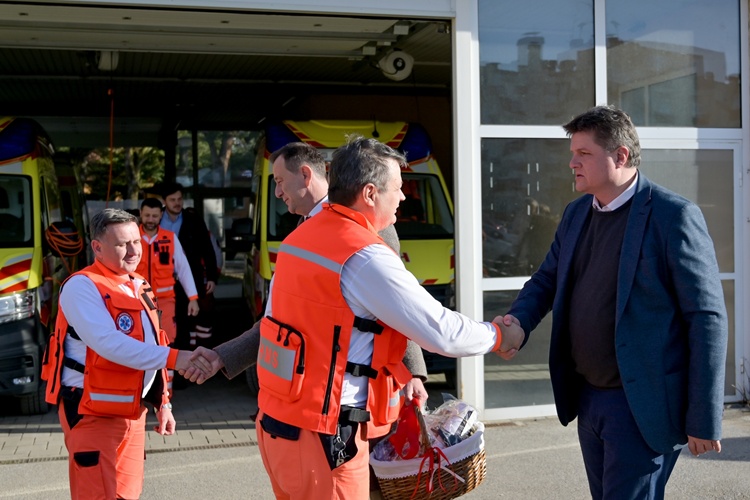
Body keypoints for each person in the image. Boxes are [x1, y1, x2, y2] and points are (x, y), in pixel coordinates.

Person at [186, 136, 523, 499]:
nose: (404, 197)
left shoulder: (297, 241)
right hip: (327, 437)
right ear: (370, 193)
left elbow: (275, 326)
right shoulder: (362, 251)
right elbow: (438, 329)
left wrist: (413, 373)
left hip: (279, 428)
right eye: (398, 187)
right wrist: (499, 335)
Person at [502, 105, 728, 500]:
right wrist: (518, 323)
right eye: (572, 153)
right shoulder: (576, 214)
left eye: (584, 153)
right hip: (589, 399)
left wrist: (704, 417)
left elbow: (706, 317)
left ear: (620, 156)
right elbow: (547, 279)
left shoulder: (673, 216)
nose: (572, 163)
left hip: (642, 405)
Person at [186, 142, 429, 406]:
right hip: (309, 401)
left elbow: (398, 302)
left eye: (280, 181)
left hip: (355, 401)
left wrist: (413, 371)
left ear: (305, 174)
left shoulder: (371, 223)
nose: (277, 192)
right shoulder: (302, 229)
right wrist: (223, 356)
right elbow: (277, 320)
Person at [41, 208, 203, 500]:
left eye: (136, 241)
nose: (133, 251)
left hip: (131, 411)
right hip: (91, 413)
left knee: (127, 494)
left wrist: (163, 403)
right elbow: (108, 344)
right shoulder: (81, 286)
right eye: (122, 244)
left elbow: (155, 342)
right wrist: (175, 359)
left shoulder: (138, 284)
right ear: (97, 247)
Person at [160, 182, 218, 349]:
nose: (177, 203)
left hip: (191, 278)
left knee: (189, 319)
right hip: (163, 280)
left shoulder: (193, 219)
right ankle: (170, 356)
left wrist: (212, 277)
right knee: (167, 320)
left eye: (180, 199)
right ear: (164, 201)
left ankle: (186, 358)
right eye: (172, 200)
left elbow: (207, 249)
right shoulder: (156, 220)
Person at [136, 197, 200, 344]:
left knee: (166, 339)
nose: (150, 220)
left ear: (161, 215)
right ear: (140, 214)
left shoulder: (170, 238)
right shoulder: (131, 239)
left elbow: (183, 269)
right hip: (136, 300)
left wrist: (193, 298)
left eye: (154, 216)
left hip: (164, 301)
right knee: (139, 339)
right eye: (147, 215)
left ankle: (167, 361)